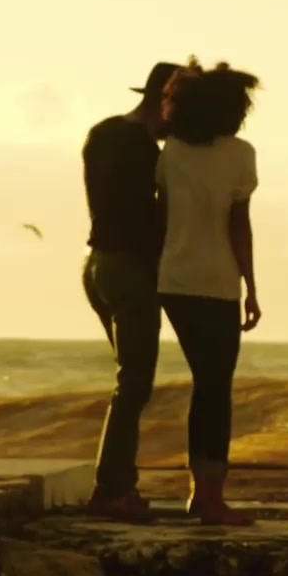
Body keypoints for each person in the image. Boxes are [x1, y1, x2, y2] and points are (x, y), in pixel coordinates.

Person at [153, 58, 263, 526]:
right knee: (215, 389)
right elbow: (239, 224)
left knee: (207, 384)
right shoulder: (240, 154)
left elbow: (160, 215)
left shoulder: (171, 152)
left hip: (173, 280)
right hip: (217, 282)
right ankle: (208, 497)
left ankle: (203, 493)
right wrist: (251, 286)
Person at [81, 61, 183, 521]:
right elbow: (146, 218)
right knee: (134, 383)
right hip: (128, 267)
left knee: (129, 381)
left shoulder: (103, 132)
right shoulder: (144, 150)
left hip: (97, 264)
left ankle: (118, 484)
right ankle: (113, 490)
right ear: (165, 101)